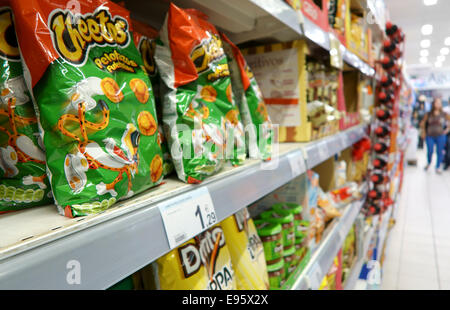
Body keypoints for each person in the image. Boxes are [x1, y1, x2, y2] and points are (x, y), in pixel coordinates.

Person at [420, 98, 450, 173]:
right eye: (437, 103)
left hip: (441, 135)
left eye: (440, 103)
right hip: (430, 135)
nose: (438, 104)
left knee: (440, 151)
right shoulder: (428, 114)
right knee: (430, 150)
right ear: (433, 104)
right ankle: (429, 162)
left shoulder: (444, 114)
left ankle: (438, 166)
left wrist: (447, 130)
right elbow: (423, 123)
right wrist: (423, 132)